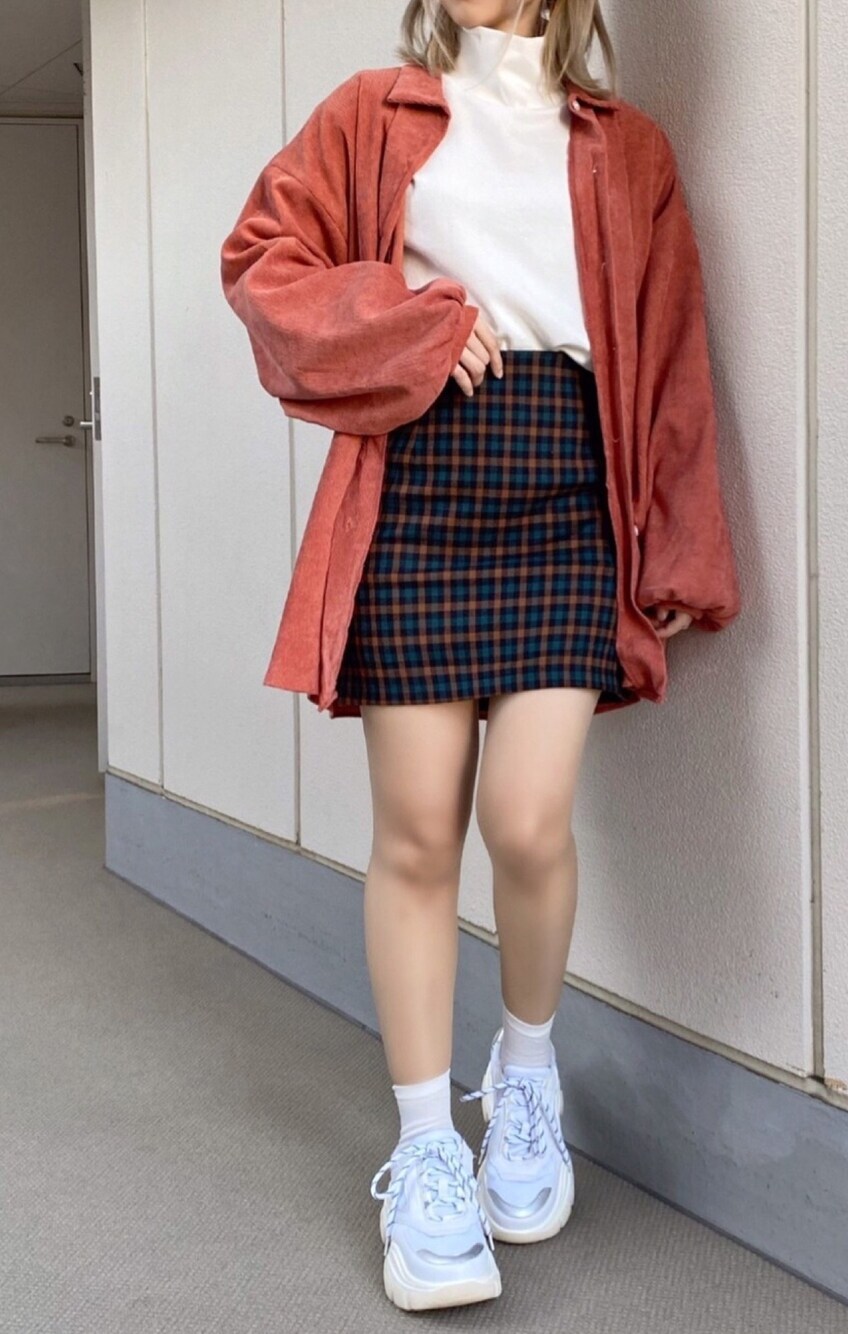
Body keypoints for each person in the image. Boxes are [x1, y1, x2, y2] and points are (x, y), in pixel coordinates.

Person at [220, 0, 741, 1313]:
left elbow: (672, 350)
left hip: (568, 489)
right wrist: (409, 314)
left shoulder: (628, 150)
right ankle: (424, 1148)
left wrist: (680, 547)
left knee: (526, 821)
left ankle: (525, 1072)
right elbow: (264, 261)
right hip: (416, 490)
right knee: (415, 834)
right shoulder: (371, 112)